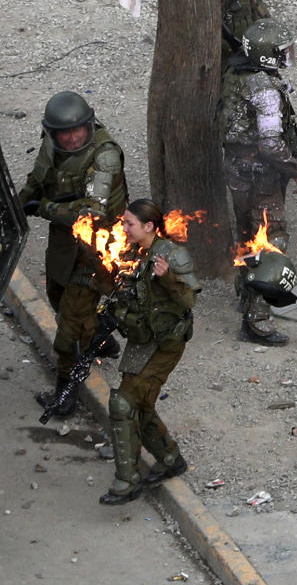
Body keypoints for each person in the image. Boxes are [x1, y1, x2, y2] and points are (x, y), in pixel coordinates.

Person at [18, 91, 127, 417]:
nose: (71, 137)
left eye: (77, 130)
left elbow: (91, 214)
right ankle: (97, 338)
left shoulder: (103, 156)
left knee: (68, 326)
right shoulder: (53, 145)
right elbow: (38, 180)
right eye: (64, 133)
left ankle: (66, 392)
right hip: (65, 240)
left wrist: (45, 208)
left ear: (88, 124)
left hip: (98, 247)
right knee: (56, 293)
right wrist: (19, 205)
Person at [100, 199, 200, 504]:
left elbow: (189, 301)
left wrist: (167, 278)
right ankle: (170, 459)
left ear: (149, 227)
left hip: (167, 342)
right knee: (139, 404)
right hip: (142, 339)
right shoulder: (130, 251)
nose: (124, 228)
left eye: (130, 223)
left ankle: (127, 482)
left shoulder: (172, 255)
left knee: (123, 402)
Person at [221, 18, 297, 346]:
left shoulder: (237, 75)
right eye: (284, 51)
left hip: (236, 169)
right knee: (272, 239)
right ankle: (257, 317)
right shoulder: (266, 90)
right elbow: (271, 143)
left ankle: (245, 290)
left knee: (246, 232)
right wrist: (295, 169)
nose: (290, 54)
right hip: (262, 175)